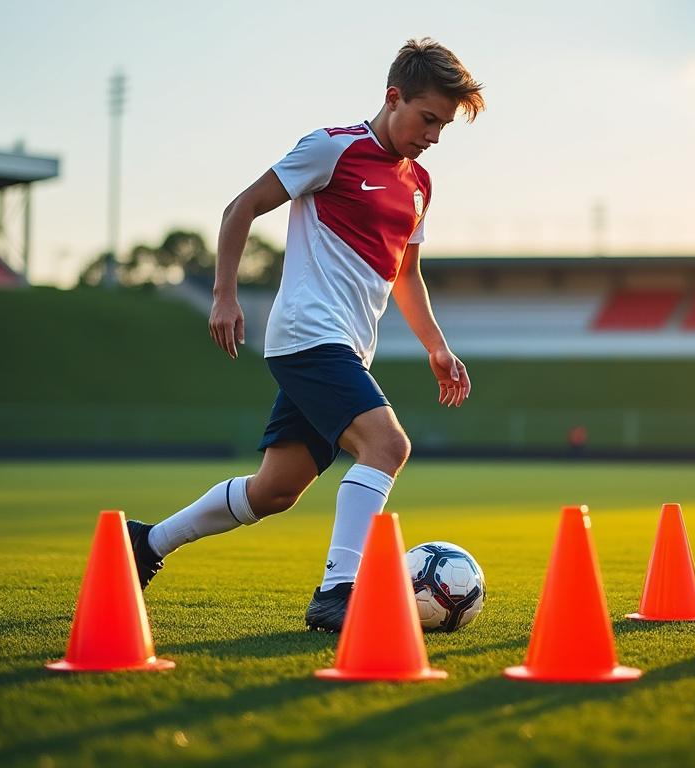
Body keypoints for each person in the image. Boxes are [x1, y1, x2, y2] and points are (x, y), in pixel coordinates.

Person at [127, 38, 484, 633]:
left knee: (274, 491)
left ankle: (147, 544)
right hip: (307, 336)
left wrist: (437, 346)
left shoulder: (419, 184)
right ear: (393, 97)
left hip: (347, 349)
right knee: (388, 446)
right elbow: (240, 208)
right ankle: (338, 592)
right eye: (428, 119)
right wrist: (223, 295)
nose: (434, 136)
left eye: (444, 126)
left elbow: (406, 275)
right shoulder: (331, 148)